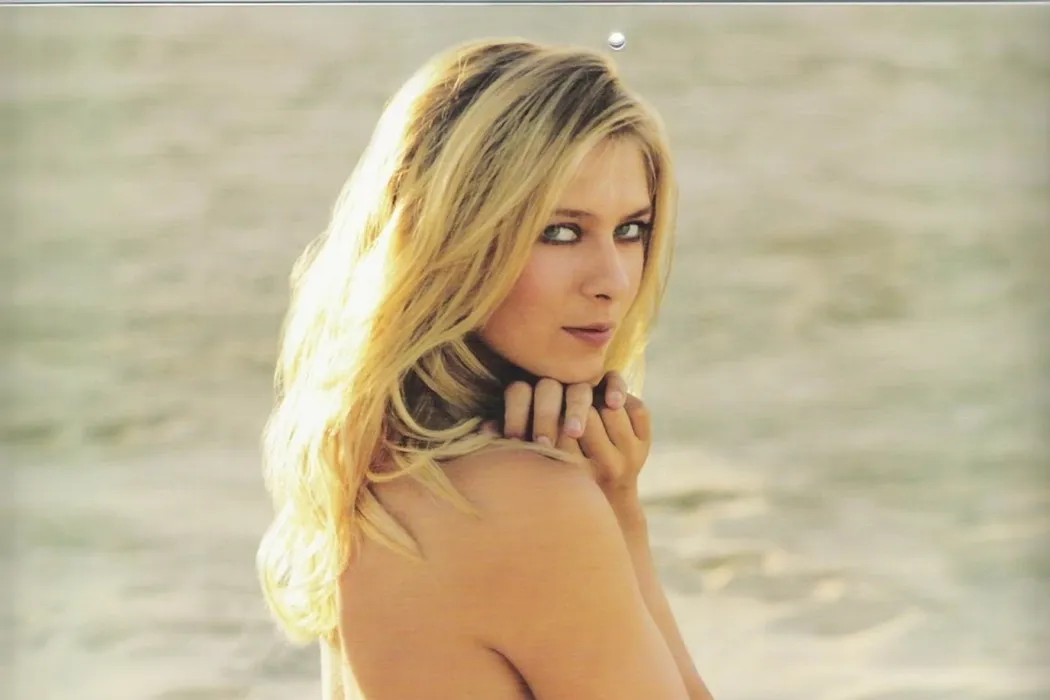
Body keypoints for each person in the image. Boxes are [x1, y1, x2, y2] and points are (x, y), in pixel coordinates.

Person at [256, 37, 714, 699]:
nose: (612, 280)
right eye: (560, 231)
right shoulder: (530, 506)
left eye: (631, 230)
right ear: (455, 237)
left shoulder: (369, 467)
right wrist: (623, 523)